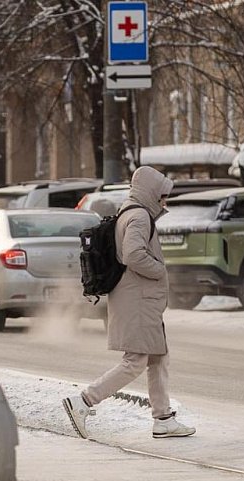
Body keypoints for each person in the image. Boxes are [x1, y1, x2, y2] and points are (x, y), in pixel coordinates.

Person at [63, 166, 196, 439]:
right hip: (138, 301)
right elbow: (132, 255)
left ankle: (163, 418)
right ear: (150, 192)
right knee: (135, 361)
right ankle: (84, 401)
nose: (164, 201)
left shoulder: (133, 212)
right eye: (162, 195)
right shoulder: (138, 216)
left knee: (158, 357)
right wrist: (159, 270)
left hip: (141, 300)